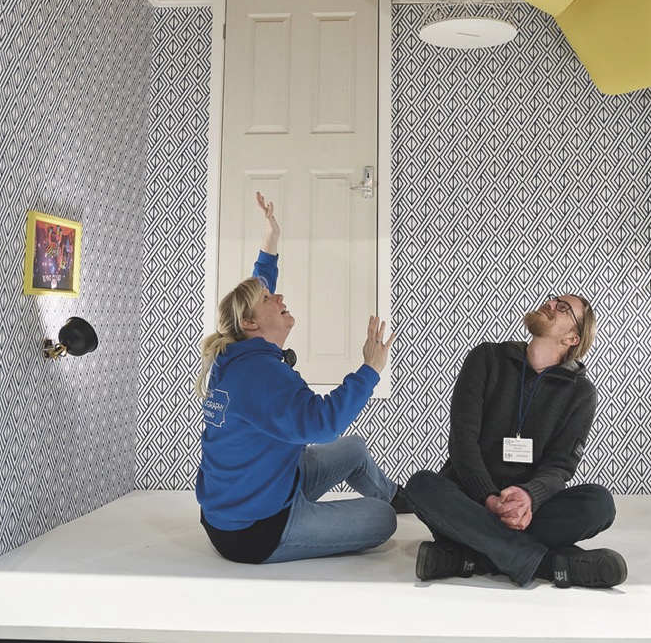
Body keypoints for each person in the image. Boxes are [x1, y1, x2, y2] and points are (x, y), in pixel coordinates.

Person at [194, 193, 407, 564]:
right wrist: (370, 369)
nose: (279, 296)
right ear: (251, 324)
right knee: (382, 520)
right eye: (268, 299)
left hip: (261, 489)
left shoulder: (237, 355)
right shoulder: (261, 374)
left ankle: (406, 499)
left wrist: (271, 242)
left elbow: (258, 287)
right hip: (255, 528)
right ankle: (389, 508)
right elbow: (322, 423)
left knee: (355, 451)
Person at [404, 294, 627, 588]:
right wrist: (488, 497)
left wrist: (528, 497)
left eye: (563, 309)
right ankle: (547, 564)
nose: (550, 305)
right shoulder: (485, 359)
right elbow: (462, 442)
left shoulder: (580, 392)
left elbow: (560, 467)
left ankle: (467, 558)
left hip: (528, 513)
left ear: (573, 338)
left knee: (599, 504)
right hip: (470, 502)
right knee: (421, 486)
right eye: (553, 300)